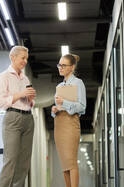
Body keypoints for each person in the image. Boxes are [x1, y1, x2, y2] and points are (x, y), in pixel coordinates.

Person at [0, 45, 36, 187]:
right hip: (12, 118)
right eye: (22, 58)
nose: (25, 61)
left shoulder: (25, 79)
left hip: (28, 119)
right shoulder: (3, 76)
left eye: (26, 59)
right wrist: (20, 95)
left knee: (24, 163)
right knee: (10, 160)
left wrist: (31, 100)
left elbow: (30, 102)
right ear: (13, 57)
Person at [51, 54, 86, 187]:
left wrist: (64, 103)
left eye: (63, 65)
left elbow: (82, 107)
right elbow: (58, 106)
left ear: (72, 67)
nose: (60, 68)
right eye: (59, 65)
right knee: (64, 164)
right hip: (59, 124)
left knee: (71, 162)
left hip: (71, 124)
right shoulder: (59, 86)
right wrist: (54, 110)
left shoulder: (78, 83)